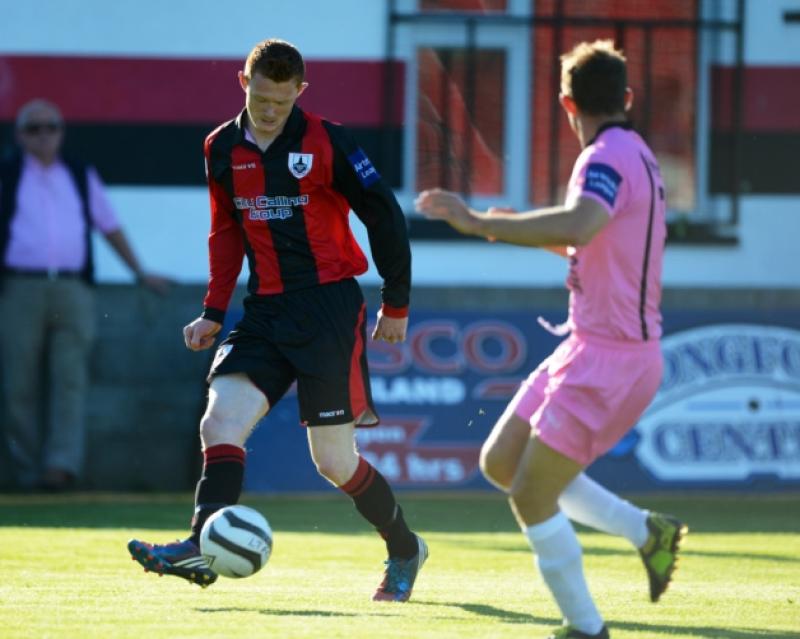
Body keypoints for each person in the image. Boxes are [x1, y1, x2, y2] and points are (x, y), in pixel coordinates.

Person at [127, 39, 427, 602]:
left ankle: (404, 548)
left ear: (300, 93)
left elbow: (384, 214)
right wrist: (214, 311)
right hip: (265, 310)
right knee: (219, 423)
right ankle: (201, 543)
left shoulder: (328, 141)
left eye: (281, 102)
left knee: (334, 463)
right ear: (244, 82)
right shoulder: (220, 147)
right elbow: (225, 232)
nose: (268, 111)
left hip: (327, 309)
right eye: (261, 97)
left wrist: (397, 302)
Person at [416, 40, 686, 639]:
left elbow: (583, 222)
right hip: (589, 347)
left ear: (566, 102)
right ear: (627, 98)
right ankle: (648, 533)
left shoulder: (603, 159)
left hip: (611, 359)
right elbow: (593, 238)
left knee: (532, 497)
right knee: (502, 462)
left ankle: (585, 627)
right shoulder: (633, 150)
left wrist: (481, 220)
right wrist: (517, 230)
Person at [0, 99, 170, 492]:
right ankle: (26, 472)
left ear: (61, 131)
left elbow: (109, 225)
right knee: (18, 382)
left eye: (51, 127)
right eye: (34, 129)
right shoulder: (8, 173)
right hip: (18, 288)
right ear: (20, 136)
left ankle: (59, 469)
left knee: (69, 379)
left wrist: (140, 272)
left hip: (73, 288)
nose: (44, 135)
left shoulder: (78, 173)